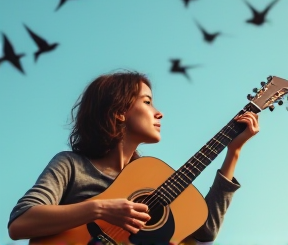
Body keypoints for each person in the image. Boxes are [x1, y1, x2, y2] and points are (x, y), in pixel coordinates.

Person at [8, 70, 259, 245]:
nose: (159, 113)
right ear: (119, 112)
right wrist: (101, 208)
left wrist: (233, 152)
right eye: (148, 102)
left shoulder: (149, 176)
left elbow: (204, 234)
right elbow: (20, 222)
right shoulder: (72, 165)